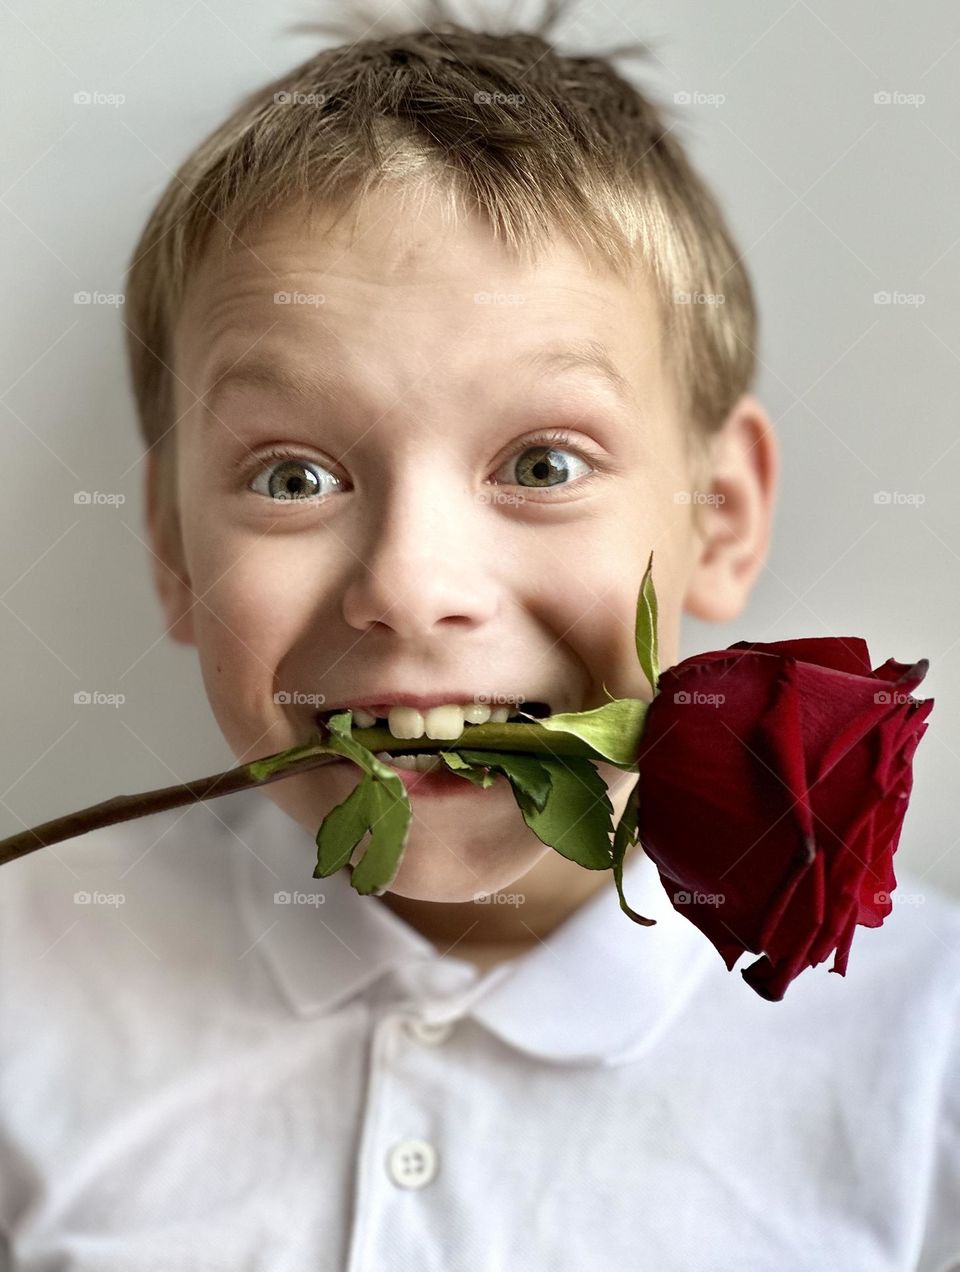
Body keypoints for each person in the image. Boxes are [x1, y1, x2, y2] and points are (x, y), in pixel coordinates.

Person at [2, 4, 957, 1268]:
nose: (409, 585)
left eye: (543, 461)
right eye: (293, 478)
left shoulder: (925, 1061)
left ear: (720, 517)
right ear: (174, 554)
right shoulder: (27, 986)